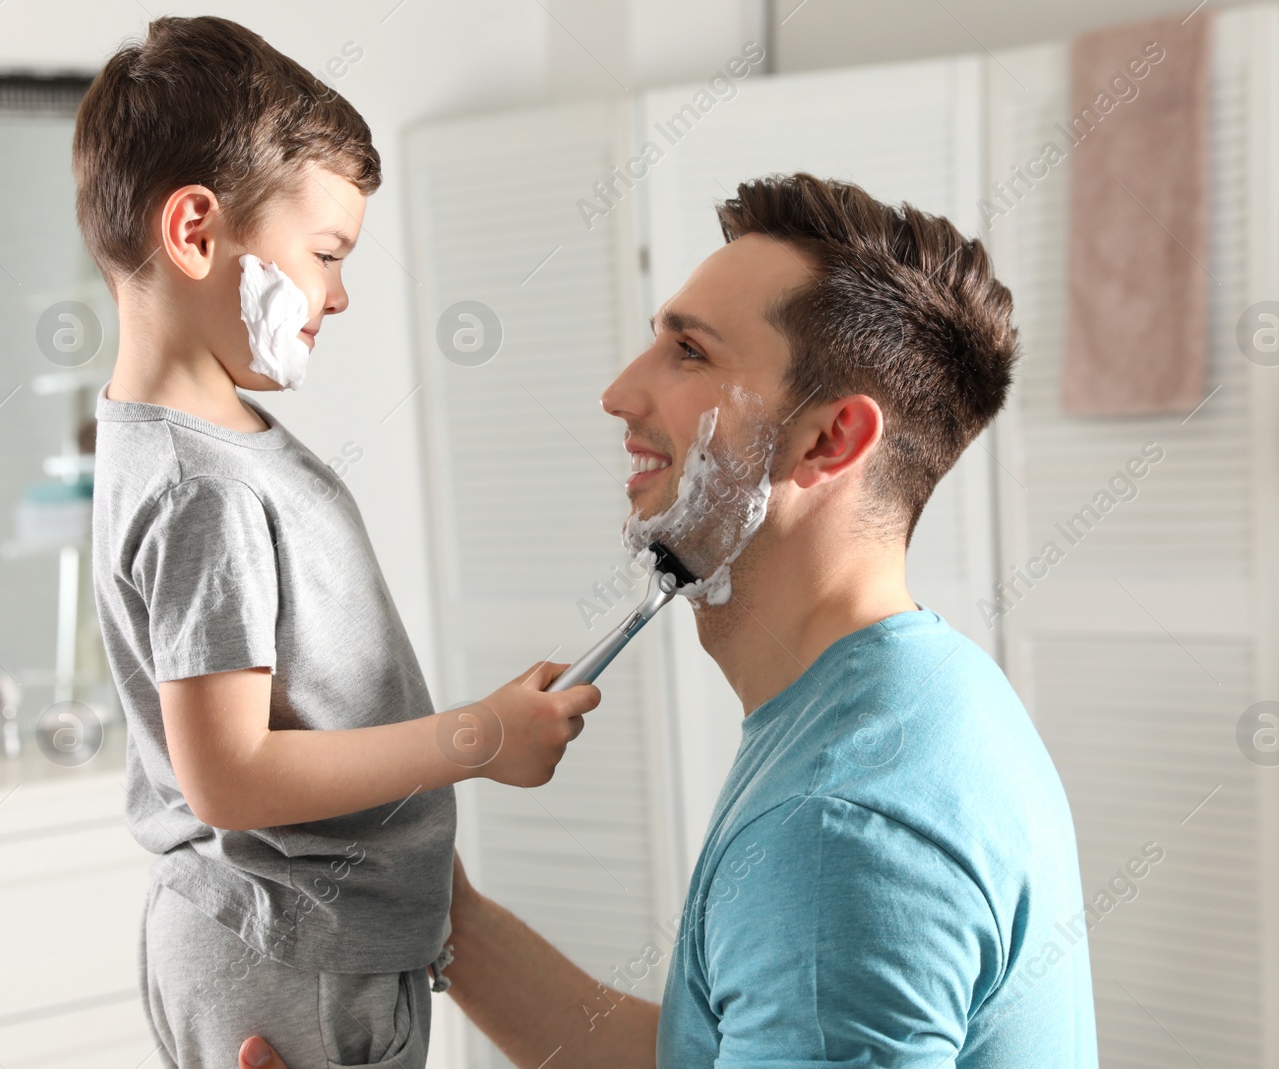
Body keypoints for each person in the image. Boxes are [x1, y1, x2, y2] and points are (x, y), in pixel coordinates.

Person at [238, 172, 1098, 1068]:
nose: (618, 393)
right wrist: (442, 914)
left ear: (829, 440)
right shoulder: (925, 689)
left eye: (690, 353)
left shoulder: (837, 833)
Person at [79, 17, 600, 1069]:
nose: (342, 292)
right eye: (325, 254)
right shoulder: (201, 490)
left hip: (288, 942)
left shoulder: (202, 449)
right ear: (193, 233)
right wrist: (476, 739)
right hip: (289, 950)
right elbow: (230, 774)